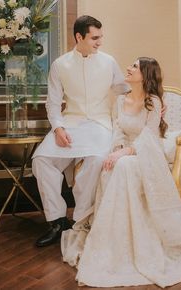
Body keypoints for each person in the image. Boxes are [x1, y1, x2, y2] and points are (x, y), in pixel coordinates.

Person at [61, 57, 181, 288]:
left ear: (145, 74)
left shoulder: (154, 101)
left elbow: (149, 137)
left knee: (124, 165)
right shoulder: (120, 100)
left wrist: (124, 154)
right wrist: (116, 151)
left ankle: (140, 242)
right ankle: (113, 240)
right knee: (110, 166)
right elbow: (117, 129)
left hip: (146, 152)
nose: (128, 68)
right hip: (124, 149)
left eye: (134, 66)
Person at [32, 15, 130, 247]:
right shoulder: (60, 64)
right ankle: (57, 221)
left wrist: (151, 98)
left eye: (101, 37)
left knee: (96, 160)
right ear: (79, 37)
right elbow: (53, 103)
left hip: (99, 124)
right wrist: (58, 128)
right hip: (70, 123)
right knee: (41, 160)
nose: (100, 42)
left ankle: (80, 220)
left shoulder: (108, 61)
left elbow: (123, 89)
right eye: (95, 38)